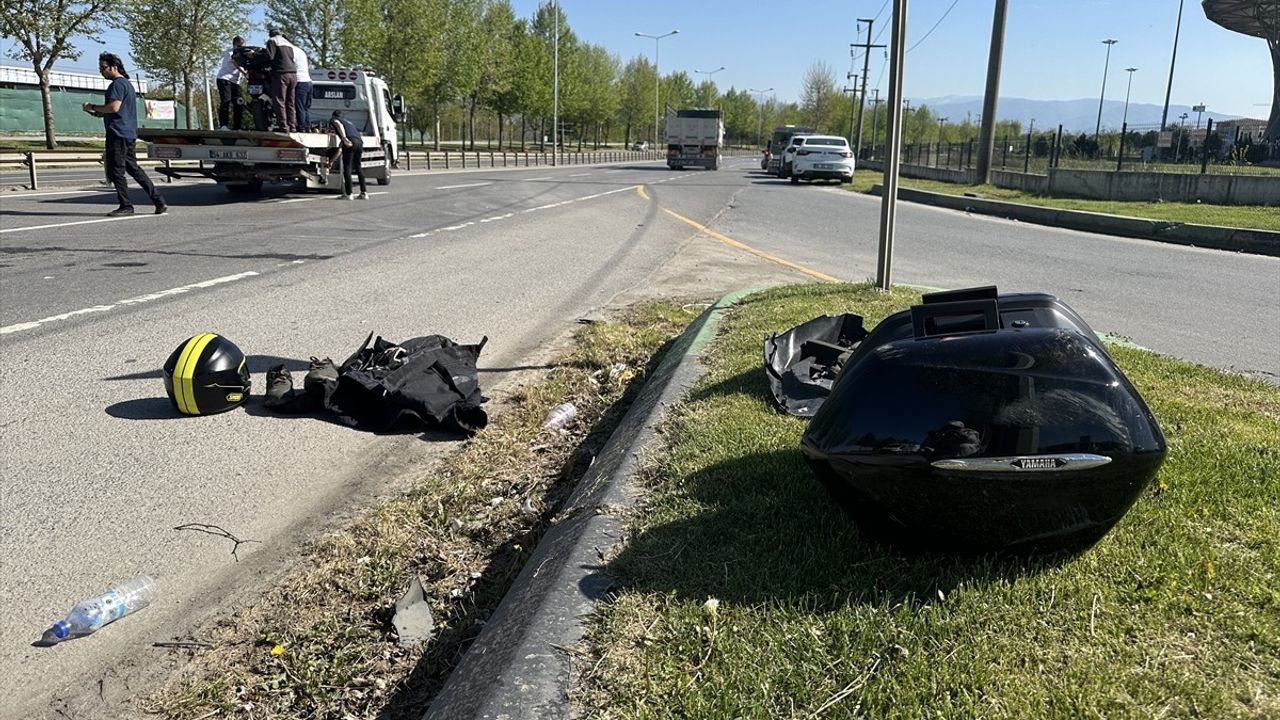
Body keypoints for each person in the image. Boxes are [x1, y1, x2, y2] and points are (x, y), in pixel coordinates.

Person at [82, 52, 167, 217]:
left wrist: (92, 106)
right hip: (128, 133)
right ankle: (158, 200)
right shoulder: (127, 84)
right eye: (100, 68)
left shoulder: (117, 84)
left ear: (114, 67)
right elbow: (114, 111)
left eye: (103, 68)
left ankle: (126, 206)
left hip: (118, 133)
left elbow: (113, 107)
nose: (101, 71)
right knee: (134, 169)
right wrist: (97, 112)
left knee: (116, 171)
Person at [265, 27, 298, 131]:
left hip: (281, 74)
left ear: (271, 34)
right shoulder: (289, 43)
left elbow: (270, 56)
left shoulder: (272, 41)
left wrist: (256, 57)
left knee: (279, 100)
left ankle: (283, 126)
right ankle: (292, 126)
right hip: (293, 74)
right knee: (290, 102)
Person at [329, 110, 367, 200]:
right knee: (358, 167)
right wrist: (331, 161)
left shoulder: (335, 119)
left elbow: (338, 125)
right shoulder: (348, 122)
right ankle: (364, 192)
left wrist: (344, 138)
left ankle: (349, 193)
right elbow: (340, 148)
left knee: (347, 167)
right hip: (359, 142)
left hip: (350, 141)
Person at [215, 36, 246, 131]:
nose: (241, 48)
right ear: (235, 45)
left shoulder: (241, 53)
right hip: (224, 79)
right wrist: (245, 73)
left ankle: (237, 126)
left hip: (235, 81)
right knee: (226, 101)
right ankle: (224, 125)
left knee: (239, 102)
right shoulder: (230, 52)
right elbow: (235, 62)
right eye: (240, 46)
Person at [292, 39, 313, 131]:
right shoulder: (300, 51)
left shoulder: (289, 51)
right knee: (305, 107)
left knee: (299, 106)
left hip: (300, 81)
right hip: (308, 81)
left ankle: (301, 127)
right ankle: (307, 126)